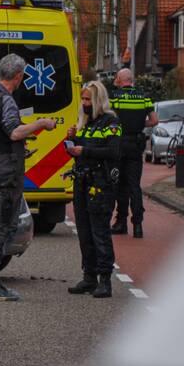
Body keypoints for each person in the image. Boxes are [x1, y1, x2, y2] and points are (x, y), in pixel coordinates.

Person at [0, 53, 58, 302]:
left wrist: (17, 149)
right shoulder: (6, 101)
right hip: (6, 172)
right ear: (19, 76)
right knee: (3, 225)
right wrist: (40, 123)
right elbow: (13, 132)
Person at [65, 81, 122, 298]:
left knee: (100, 232)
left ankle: (105, 280)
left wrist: (84, 150)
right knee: (84, 232)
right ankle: (89, 277)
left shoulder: (112, 121)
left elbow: (114, 151)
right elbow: (83, 148)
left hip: (100, 184)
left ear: (97, 100)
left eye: (88, 99)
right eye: (83, 99)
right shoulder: (85, 122)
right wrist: (72, 140)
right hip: (82, 182)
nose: (84, 103)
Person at [109, 69, 157, 238]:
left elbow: (108, 119)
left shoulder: (115, 97)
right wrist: (139, 123)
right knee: (134, 185)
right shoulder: (144, 97)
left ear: (120, 80)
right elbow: (154, 120)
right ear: (132, 80)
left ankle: (121, 222)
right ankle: (138, 225)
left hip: (119, 144)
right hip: (136, 145)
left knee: (119, 185)